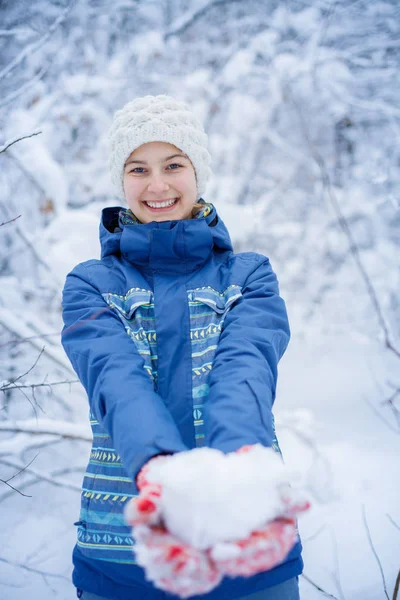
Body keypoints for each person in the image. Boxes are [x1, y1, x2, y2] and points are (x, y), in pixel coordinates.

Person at [61, 95, 304, 600]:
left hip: (244, 534)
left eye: (173, 165)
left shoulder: (248, 276)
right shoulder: (90, 284)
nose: (157, 185)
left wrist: (239, 469)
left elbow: (245, 372)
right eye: (138, 168)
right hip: (125, 552)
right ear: (120, 180)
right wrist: (160, 474)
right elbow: (115, 380)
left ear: (198, 171)